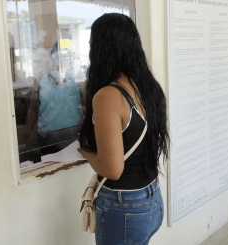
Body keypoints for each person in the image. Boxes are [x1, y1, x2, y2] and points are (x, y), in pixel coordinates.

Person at [77, 13, 170, 245]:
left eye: (92, 45)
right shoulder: (149, 87)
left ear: (103, 48)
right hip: (152, 200)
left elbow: (112, 170)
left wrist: (85, 151)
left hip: (124, 208)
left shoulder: (108, 95)